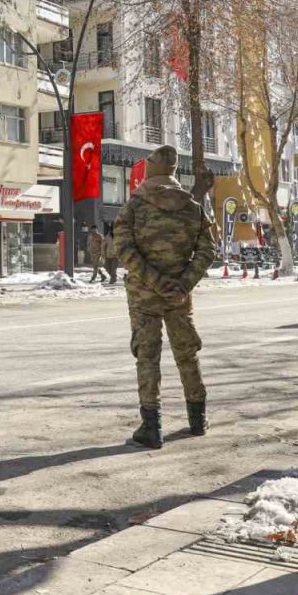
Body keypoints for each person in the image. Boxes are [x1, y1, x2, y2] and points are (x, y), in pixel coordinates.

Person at [113, 145, 215, 449]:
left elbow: (124, 250)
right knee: (187, 354)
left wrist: (155, 282)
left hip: (144, 296)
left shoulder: (134, 206)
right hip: (178, 297)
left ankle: (152, 426)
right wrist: (182, 283)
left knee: (147, 358)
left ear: (152, 169)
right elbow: (208, 250)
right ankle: (197, 420)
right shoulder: (192, 207)